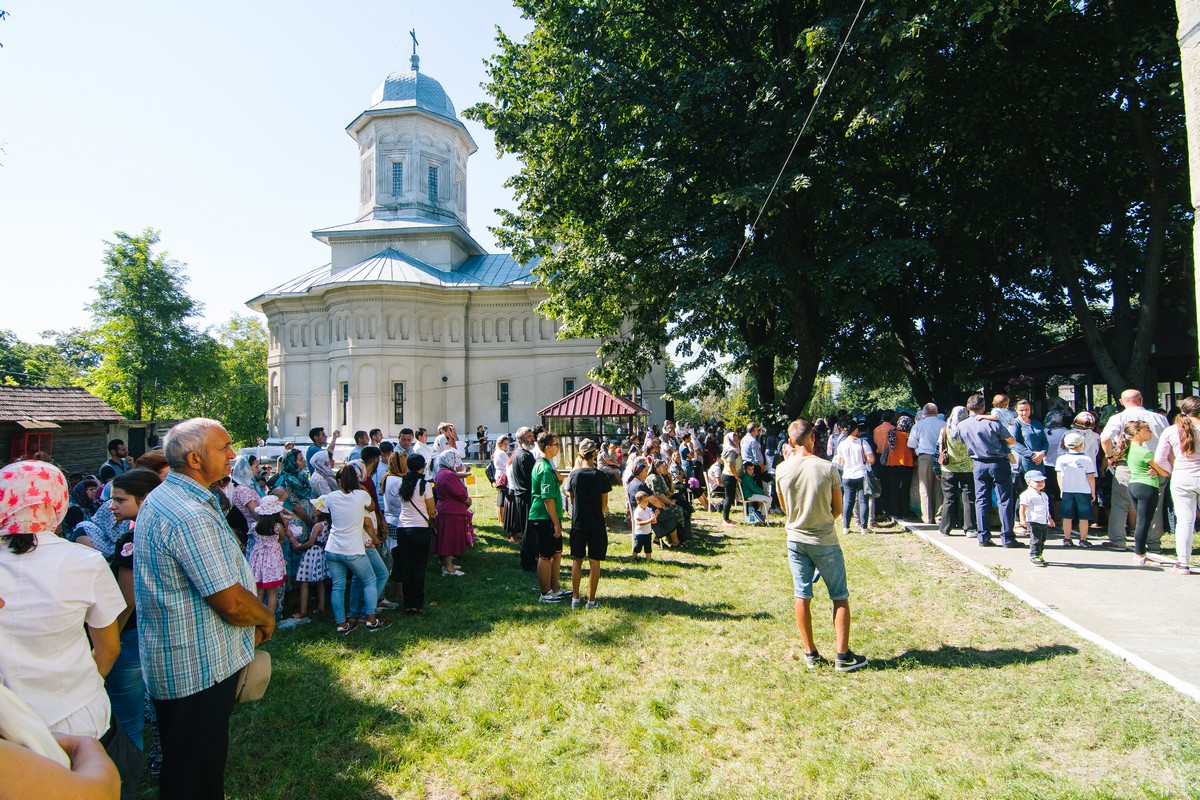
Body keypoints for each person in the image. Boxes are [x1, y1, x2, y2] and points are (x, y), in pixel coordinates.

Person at [133, 418, 274, 800]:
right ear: (195, 459)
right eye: (224, 447)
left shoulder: (174, 497)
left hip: (187, 661)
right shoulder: (188, 514)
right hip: (196, 669)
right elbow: (230, 601)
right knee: (196, 776)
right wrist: (265, 617)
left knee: (189, 767)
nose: (233, 454)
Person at [0, 461, 124, 738]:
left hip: (6, 727)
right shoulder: (85, 562)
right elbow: (108, 649)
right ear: (58, 503)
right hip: (77, 717)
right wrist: (83, 687)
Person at [775, 418, 868, 673]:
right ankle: (843, 656)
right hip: (824, 539)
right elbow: (837, 509)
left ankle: (810, 653)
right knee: (839, 595)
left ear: (790, 440)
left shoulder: (781, 469)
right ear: (813, 438)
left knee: (801, 594)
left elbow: (784, 508)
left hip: (796, 538)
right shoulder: (827, 468)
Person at [104, 467, 163, 752]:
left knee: (126, 718)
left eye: (120, 499)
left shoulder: (132, 539)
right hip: (155, 625)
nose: (111, 506)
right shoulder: (161, 529)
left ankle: (127, 769)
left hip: (129, 633)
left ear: (144, 498)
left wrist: (109, 637)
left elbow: (127, 600)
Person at [319, 464, 391, 633]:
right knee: (370, 580)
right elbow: (372, 507)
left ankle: (341, 624)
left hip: (332, 547)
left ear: (339, 481)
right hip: (352, 548)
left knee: (338, 587)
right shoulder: (361, 496)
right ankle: (371, 620)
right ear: (357, 480)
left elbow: (323, 509)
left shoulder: (331, 497)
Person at [1100, 389, 1168, 550]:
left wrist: (1110, 457)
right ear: (1141, 399)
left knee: (1120, 503)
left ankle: (1118, 539)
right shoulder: (1159, 418)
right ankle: (1153, 542)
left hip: (1128, 463)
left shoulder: (1118, 418)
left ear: (1121, 401)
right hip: (1155, 464)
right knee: (1155, 504)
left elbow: (1105, 438)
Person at [953, 393, 1019, 548]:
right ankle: (1007, 537)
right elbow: (1011, 440)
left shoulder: (962, 425)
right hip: (998, 463)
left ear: (968, 407)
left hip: (978, 464)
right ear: (983, 408)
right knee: (1004, 500)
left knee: (981, 500)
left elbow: (960, 440)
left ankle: (983, 537)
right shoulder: (992, 423)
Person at [1153, 396, 1200, 574]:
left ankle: (1183, 561)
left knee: (1185, 520)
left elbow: (1159, 459)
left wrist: (1169, 471)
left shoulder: (1171, 430)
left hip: (1182, 476)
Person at [565, 439, 610, 609]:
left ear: (579, 454)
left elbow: (572, 500)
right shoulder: (601, 476)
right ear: (595, 454)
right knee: (595, 561)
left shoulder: (573, 475)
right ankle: (591, 600)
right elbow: (604, 503)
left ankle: (575, 598)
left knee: (577, 560)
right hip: (596, 522)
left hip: (578, 522)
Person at [1119, 420, 1170, 567]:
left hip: (1134, 485)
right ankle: (1140, 554)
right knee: (1144, 522)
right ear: (1137, 433)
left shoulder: (1130, 449)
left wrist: (1154, 470)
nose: (1150, 432)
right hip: (1147, 487)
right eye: (1147, 429)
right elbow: (1164, 472)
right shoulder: (1145, 452)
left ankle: (1140, 553)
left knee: (1141, 520)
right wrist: (1161, 471)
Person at [529, 431, 571, 602]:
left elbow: (557, 482)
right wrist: (556, 523)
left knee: (557, 553)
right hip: (544, 517)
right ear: (547, 447)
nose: (558, 447)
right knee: (546, 556)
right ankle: (545, 593)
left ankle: (555, 588)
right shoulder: (545, 468)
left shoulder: (548, 465)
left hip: (552, 516)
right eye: (556, 444)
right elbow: (547, 499)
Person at [394, 454, 436, 613]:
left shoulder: (402, 482)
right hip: (420, 528)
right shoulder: (424, 485)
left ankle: (407, 603)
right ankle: (417, 603)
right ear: (422, 466)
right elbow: (431, 510)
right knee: (419, 567)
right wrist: (433, 514)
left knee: (406, 566)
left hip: (403, 528)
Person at [936, 406, 976, 537]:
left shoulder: (945, 430)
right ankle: (970, 528)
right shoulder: (969, 429)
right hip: (968, 468)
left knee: (949, 498)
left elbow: (940, 448)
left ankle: (945, 528)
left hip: (948, 468)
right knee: (969, 498)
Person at [248, 495, 291, 616]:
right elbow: (282, 538)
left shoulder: (254, 526)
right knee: (272, 592)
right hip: (273, 560)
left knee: (259, 591)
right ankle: (270, 618)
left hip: (258, 559)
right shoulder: (278, 527)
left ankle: (257, 617)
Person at [1010, 399, 1049, 529]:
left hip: (1039, 461)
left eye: (1026, 410)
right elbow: (1014, 443)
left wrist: (1043, 453)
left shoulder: (1037, 424)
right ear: (1016, 410)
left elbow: (1044, 441)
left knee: (1039, 490)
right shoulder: (1015, 424)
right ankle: (1018, 521)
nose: (1024, 413)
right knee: (1024, 492)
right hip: (1025, 462)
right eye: (1021, 410)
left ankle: (1038, 520)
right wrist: (1031, 454)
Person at [432, 450, 471, 577]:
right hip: (451, 511)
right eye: (453, 459)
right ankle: (448, 568)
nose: (455, 462)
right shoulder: (449, 475)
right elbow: (460, 493)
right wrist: (467, 499)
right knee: (448, 539)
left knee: (446, 538)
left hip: (446, 509)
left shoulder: (442, 472)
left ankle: (448, 564)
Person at [1056, 432, 1097, 547]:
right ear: (1081, 444)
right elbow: (1091, 477)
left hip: (1067, 490)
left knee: (1067, 516)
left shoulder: (1061, 459)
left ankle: (1067, 538)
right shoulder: (1087, 459)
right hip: (1083, 490)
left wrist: (1061, 488)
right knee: (1084, 517)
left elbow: (1059, 475)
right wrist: (1093, 491)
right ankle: (1083, 539)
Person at [907, 403, 946, 524]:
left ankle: (927, 517)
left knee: (924, 487)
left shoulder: (918, 425)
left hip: (924, 457)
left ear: (924, 413)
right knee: (939, 488)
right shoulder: (944, 424)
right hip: (941, 457)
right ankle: (939, 516)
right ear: (936, 412)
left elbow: (911, 444)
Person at [835, 418, 874, 533]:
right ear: (855, 430)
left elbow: (840, 463)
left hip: (847, 475)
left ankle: (846, 527)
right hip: (861, 474)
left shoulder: (842, 444)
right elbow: (871, 459)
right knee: (863, 501)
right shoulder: (862, 442)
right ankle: (864, 527)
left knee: (848, 501)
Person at [508, 427, 538, 568]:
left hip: (522, 496)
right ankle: (528, 561)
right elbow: (532, 478)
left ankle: (529, 558)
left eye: (532, 436)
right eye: (529, 436)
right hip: (526, 497)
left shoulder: (520, 453)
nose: (532, 439)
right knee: (528, 530)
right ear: (520, 440)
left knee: (528, 529)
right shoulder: (524, 455)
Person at [1018, 470, 1054, 567]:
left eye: (1042, 481)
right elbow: (1022, 507)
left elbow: (1046, 508)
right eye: (1037, 481)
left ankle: (1040, 554)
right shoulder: (1026, 494)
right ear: (1028, 482)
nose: (1040, 483)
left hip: (1043, 521)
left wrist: (1049, 519)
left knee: (1042, 539)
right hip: (1033, 520)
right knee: (1036, 539)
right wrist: (1022, 519)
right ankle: (1034, 556)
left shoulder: (1044, 495)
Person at [491, 435, 511, 530]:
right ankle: (501, 520)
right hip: (503, 476)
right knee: (502, 498)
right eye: (505, 444)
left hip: (499, 475)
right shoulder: (501, 453)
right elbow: (508, 464)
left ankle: (501, 519)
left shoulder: (497, 452)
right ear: (500, 444)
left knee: (501, 497)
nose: (506, 446)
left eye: (507, 444)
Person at [631, 491, 656, 563]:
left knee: (648, 547)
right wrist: (650, 520)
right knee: (638, 547)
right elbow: (639, 523)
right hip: (640, 533)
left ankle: (649, 559)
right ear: (638, 502)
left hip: (647, 532)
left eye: (647, 501)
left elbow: (652, 519)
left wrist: (655, 515)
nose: (647, 503)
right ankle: (634, 557)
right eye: (645, 501)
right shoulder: (638, 511)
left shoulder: (648, 509)